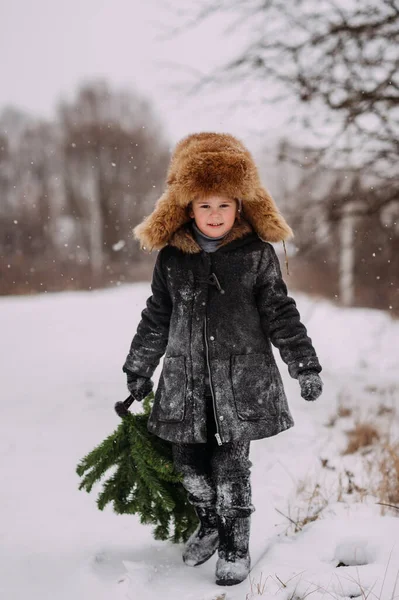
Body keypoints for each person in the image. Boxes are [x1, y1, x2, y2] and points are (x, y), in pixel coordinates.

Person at [121, 132, 323, 586]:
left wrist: (304, 363)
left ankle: (236, 544)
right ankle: (210, 523)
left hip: (242, 382)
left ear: (241, 207)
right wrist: (139, 366)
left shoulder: (256, 256)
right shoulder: (172, 259)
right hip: (186, 381)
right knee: (188, 465)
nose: (214, 215)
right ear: (188, 208)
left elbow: (280, 313)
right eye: (205, 206)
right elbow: (157, 315)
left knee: (231, 467)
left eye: (224, 205)